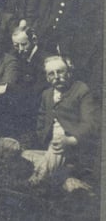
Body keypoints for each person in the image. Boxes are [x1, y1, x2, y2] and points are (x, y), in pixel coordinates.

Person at [21, 56, 99, 189]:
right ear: (47, 78)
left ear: (69, 73)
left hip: (74, 146)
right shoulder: (47, 94)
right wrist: (43, 136)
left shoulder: (81, 90)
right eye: (51, 73)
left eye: (60, 71)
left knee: (56, 148)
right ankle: (66, 178)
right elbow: (41, 119)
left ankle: (34, 182)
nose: (56, 76)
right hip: (52, 146)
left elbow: (90, 123)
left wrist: (70, 140)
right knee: (25, 154)